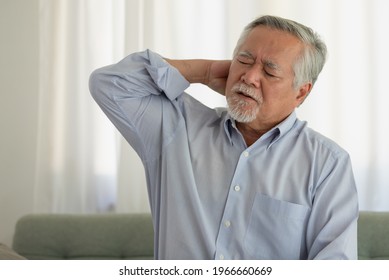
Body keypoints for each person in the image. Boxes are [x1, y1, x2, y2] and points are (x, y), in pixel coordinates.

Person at [89, 15, 359, 260]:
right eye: (243, 60)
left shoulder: (328, 165)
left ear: (301, 93)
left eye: (269, 71)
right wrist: (204, 72)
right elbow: (108, 84)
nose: (250, 76)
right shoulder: (177, 127)